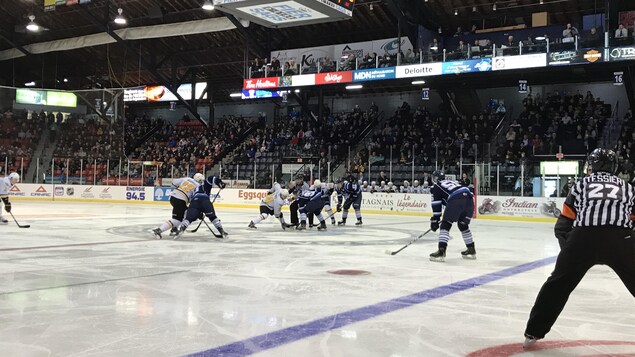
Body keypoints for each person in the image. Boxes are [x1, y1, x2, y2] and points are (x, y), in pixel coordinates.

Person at [523, 148, 635, 348]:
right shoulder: (628, 187)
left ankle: (533, 331)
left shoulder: (580, 185)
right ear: (615, 167)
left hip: (583, 237)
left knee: (557, 285)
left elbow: (564, 223)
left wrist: (570, 251)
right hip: (620, 237)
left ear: (591, 166)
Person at [429, 171, 476, 262]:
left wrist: (435, 218)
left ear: (435, 178)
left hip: (456, 198)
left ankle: (441, 251)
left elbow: (436, 203)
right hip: (469, 198)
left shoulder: (436, 186)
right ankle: (471, 249)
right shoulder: (454, 182)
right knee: (463, 225)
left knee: (445, 225)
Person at [175, 174, 228, 238]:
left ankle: (182, 229)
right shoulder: (206, 182)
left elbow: (192, 200)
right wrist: (220, 183)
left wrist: (199, 213)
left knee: (189, 218)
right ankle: (221, 231)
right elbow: (212, 178)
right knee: (212, 217)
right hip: (205, 200)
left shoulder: (193, 187)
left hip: (194, 201)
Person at [153, 173, 204, 239]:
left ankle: (174, 229)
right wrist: (198, 212)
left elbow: (173, 183)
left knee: (184, 214)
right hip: (181, 200)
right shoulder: (198, 187)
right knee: (178, 219)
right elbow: (194, 200)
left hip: (173, 197)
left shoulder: (187, 179)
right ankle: (159, 230)